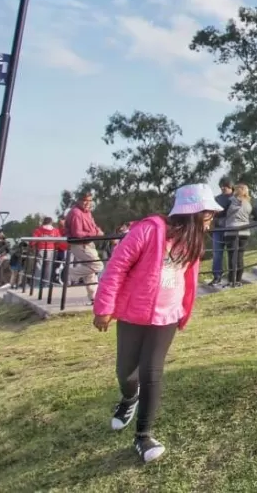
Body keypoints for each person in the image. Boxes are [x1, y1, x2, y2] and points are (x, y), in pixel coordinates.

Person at [92, 183, 222, 464]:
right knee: (126, 372)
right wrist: (104, 307)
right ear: (193, 213)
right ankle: (129, 399)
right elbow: (116, 267)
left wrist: (184, 311)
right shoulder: (149, 230)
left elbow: (188, 280)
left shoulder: (193, 242)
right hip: (132, 314)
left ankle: (143, 436)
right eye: (208, 214)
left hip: (166, 316)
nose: (211, 219)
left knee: (151, 371)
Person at [65, 192, 105, 303]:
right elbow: (77, 233)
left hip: (89, 244)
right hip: (80, 245)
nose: (88, 203)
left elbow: (94, 226)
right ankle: (70, 273)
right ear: (79, 201)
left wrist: (98, 231)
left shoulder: (88, 213)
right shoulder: (76, 213)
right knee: (98, 265)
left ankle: (93, 297)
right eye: (85, 200)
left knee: (90, 271)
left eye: (90, 200)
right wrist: (95, 234)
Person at [223, 184, 252, 287]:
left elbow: (222, 213)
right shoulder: (248, 203)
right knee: (240, 256)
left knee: (232, 256)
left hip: (231, 231)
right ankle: (239, 280)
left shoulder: (230, 201)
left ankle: (231, 280)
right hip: (244, 231)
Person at [209, 178, 233, 286]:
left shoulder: (236, 198)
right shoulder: (217, 198)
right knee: (217, 253)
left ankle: (232, 276)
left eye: (225, 185)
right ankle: (217, 276)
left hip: (231, 229)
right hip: (218, 229)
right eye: (221, 186)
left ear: (230, 186)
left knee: (232, 253)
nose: (223, 188)